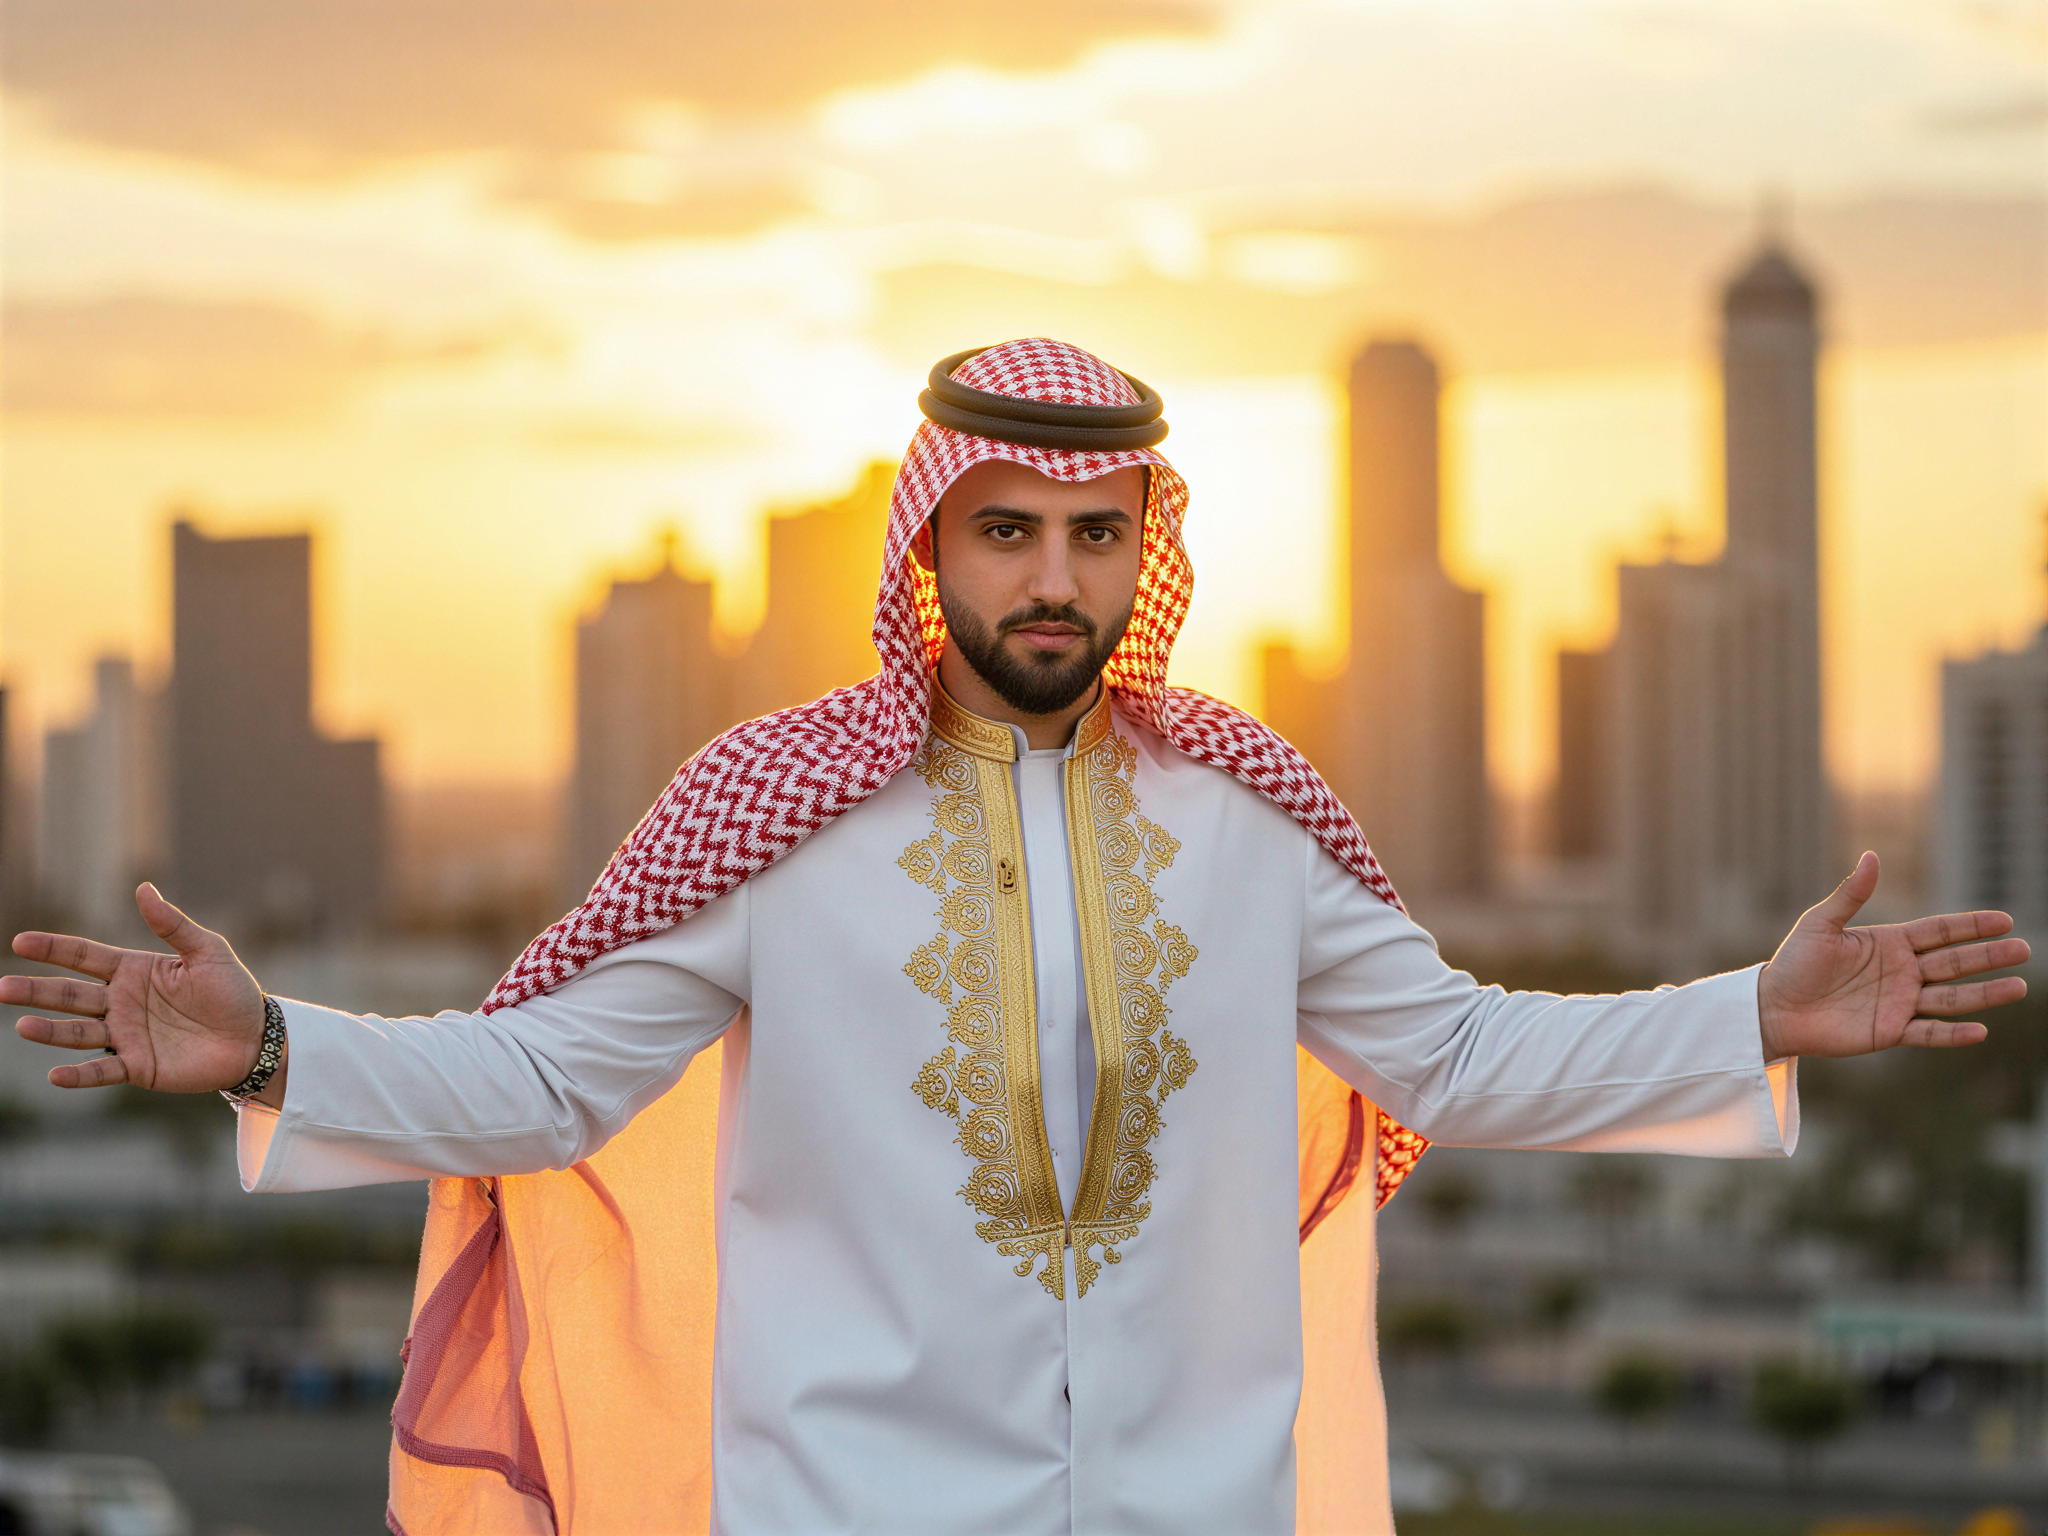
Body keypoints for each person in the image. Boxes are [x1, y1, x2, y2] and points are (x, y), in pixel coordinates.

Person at [5, 338, 2028, 1536]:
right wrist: (273, 1047)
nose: (1051, 580)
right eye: (1008, 530)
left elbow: (1464, 1058)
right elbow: (540, 1086)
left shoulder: (1250, 819)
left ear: (1144, 552)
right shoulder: (775, 819)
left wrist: (1749, 1016)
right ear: (931, 540)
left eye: (1094, 536)